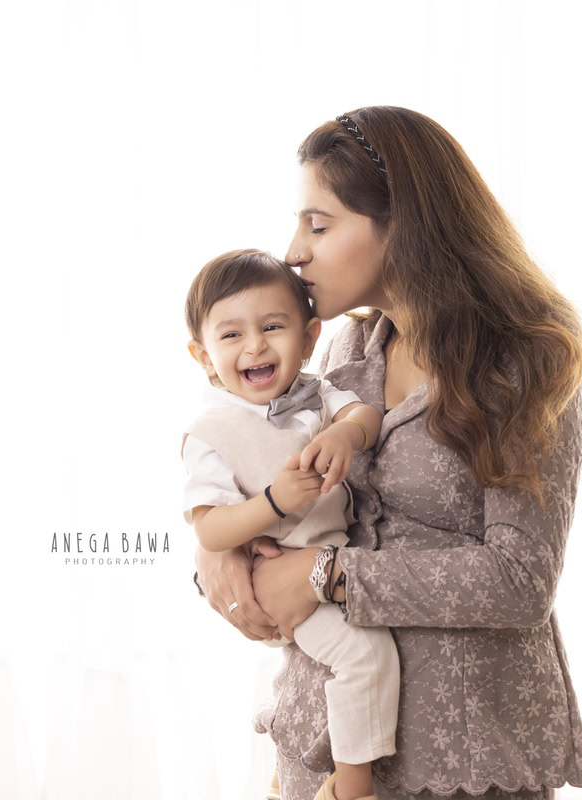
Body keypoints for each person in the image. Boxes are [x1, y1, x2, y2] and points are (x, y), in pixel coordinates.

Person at [192, 107, 582, 800]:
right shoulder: (347, 350)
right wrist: (217, 558)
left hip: (466, 759)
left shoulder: (529, 354)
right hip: (324, 747)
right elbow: (263, 477)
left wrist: (328, 576)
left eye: (318, 226)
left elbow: (520, 580)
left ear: (404, 223)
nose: (294, 250)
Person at [181, 248, 398, 800]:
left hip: (332, 568)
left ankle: (296, 777)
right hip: (282, 580)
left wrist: (345, 433)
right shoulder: (211, 432)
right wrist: (273, 504)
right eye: (231, 336)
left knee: (333, 669)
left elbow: (364, 414)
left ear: (307, 340)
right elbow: (211, 531)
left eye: (272, 327)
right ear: (204, 356)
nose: (254, 345)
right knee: (364, 656)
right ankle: (352, 786)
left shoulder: (317, 394)